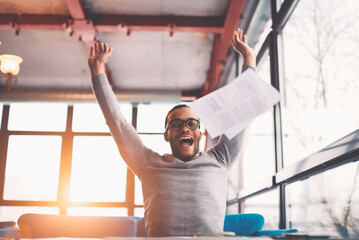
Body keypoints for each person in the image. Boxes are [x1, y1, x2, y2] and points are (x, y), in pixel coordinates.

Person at [88, 28, 256, 237]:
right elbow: (117, 122)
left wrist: (249, 58)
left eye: (191, 123)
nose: (184, 128)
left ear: (200, 131)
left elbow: (242, 114)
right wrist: (97, 70)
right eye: (175, 125)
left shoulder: (220, 159)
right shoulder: (145, 162)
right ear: (166, 135)